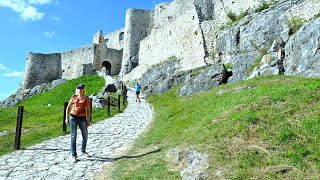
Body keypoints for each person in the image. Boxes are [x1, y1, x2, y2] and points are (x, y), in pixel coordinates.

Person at [65, 84, 91, 162]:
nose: (80, 90)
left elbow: (88, 110)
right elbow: (68, 107)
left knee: (85, 135)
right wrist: (66, 118)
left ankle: (83, 150)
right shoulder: (74, 97)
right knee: (73, 136)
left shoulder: (86, 98)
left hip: (82, 118)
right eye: (78, 88)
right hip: (73, 117)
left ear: (84, 89)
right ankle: (73, 154)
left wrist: (88, 120)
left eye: (81, 88)